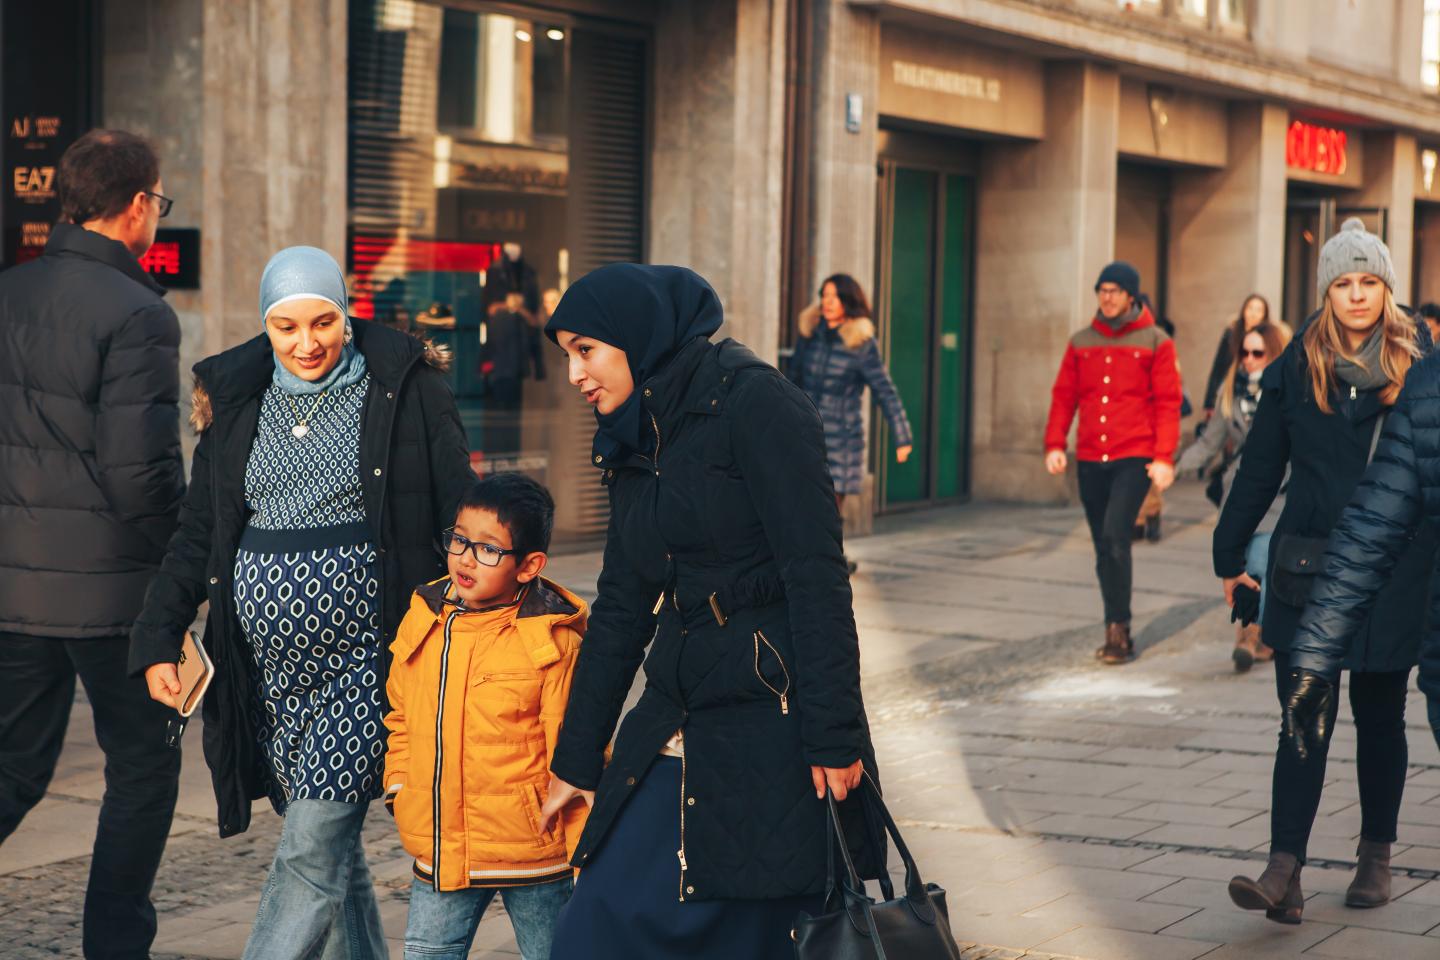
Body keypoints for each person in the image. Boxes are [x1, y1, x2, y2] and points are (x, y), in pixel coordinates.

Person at [129, 246, 474, 959]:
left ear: (347, 317)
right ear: (266, 327)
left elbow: (460, 514)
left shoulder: (406, 389)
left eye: (324, 322)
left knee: (313, 840)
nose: (307, 343)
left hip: (370, 657)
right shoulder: (234, 404)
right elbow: (200, 533)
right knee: (330, 846)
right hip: (272, 675)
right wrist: (159, 635)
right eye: (287, 327)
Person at [537, 264, 882, 959]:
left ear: (636, 339)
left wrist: (835, 736)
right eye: (569, 354)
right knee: (595, 926)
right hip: (677, 708)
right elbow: (622, 608)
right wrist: (575, 761)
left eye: (586, 350)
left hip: (771, 722)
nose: (575, 373)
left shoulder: (756, 403)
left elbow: (816, 578)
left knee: (758, 933)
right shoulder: (637, 433)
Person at [1212, 218, 1432, 924]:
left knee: (1379, 716)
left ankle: (1375, 854)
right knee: (1302, 715)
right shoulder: (1293, 368)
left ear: (1388, 288)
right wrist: (1229, 553)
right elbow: (1258, 470)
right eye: (1344, 283)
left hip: (1394, 571)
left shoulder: (1420, 368)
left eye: (1370, 282)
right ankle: (1285, 869)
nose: (1358, 295)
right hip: (1310, 569)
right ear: (1327, 291)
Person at [0, 128, 184, 960]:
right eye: (159, 202)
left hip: (13, 590)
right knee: (143, 768)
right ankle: (115, 948)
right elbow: (140, 474)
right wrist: (187, 563)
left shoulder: (9, 291)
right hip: (115, 597)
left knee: (13, 768)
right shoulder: (139, 312)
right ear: (139, 205)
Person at [385, 473, 588, 960]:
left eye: (488, 549)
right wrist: (400, 786)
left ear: (529, 565)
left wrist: (584, 854)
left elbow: (577, 751)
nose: (465, 558)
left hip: (533, 852)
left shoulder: (553, 641)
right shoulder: (425, 616)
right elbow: (401, 712)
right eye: (458, 539)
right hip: (442, 847)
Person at [1043, 261, 1182, 665]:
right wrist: (1055, 443)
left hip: (1133, 456)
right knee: (1103, 544)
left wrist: (1163, 457)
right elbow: (1063, 396)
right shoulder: (1080, 340)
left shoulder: (1156, 341)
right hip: (1089, 456)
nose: (1107, 297)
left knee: (1116, 535)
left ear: (1131, 296)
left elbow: (1168, 402)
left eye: (1115, 291)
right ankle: (1113, 619)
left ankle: (1118, 632)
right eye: (1102, 290)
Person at [1177, 321, 1290, 671]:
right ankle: (1253, 630)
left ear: (1273, 353)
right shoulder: (1231, 394)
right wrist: (1174, 466)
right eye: (1245, 353)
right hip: (1240, 494)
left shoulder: (1289, 391)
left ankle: (1256, 633)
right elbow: (1210, 442)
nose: (1250, 360)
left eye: (1258, 353)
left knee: (1262, 559)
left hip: (1281, 492)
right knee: (1244, 564)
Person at [787, 273, 913, 573]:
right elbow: (791, 380)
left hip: (842, 439)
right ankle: (819, 559)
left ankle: (829, 562)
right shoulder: (810, 334)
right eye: (824, 295)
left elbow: (885, 390)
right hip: (806, 432)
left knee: (829, 506)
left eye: (835, 296)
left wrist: (902, 435)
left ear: (848, 300)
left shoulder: (861, 343)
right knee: (802, 499)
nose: (827, 302)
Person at [1202, 293, 1291, 418]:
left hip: (1257, 389)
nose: (1253, 313)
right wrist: (1209, 402)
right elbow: (1218, 368)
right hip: (1231, 389)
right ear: (1244, 310)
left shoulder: (1270, 337)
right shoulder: (1232, 333)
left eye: (1259, 310)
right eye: (1250, 308)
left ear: (1264, 314)